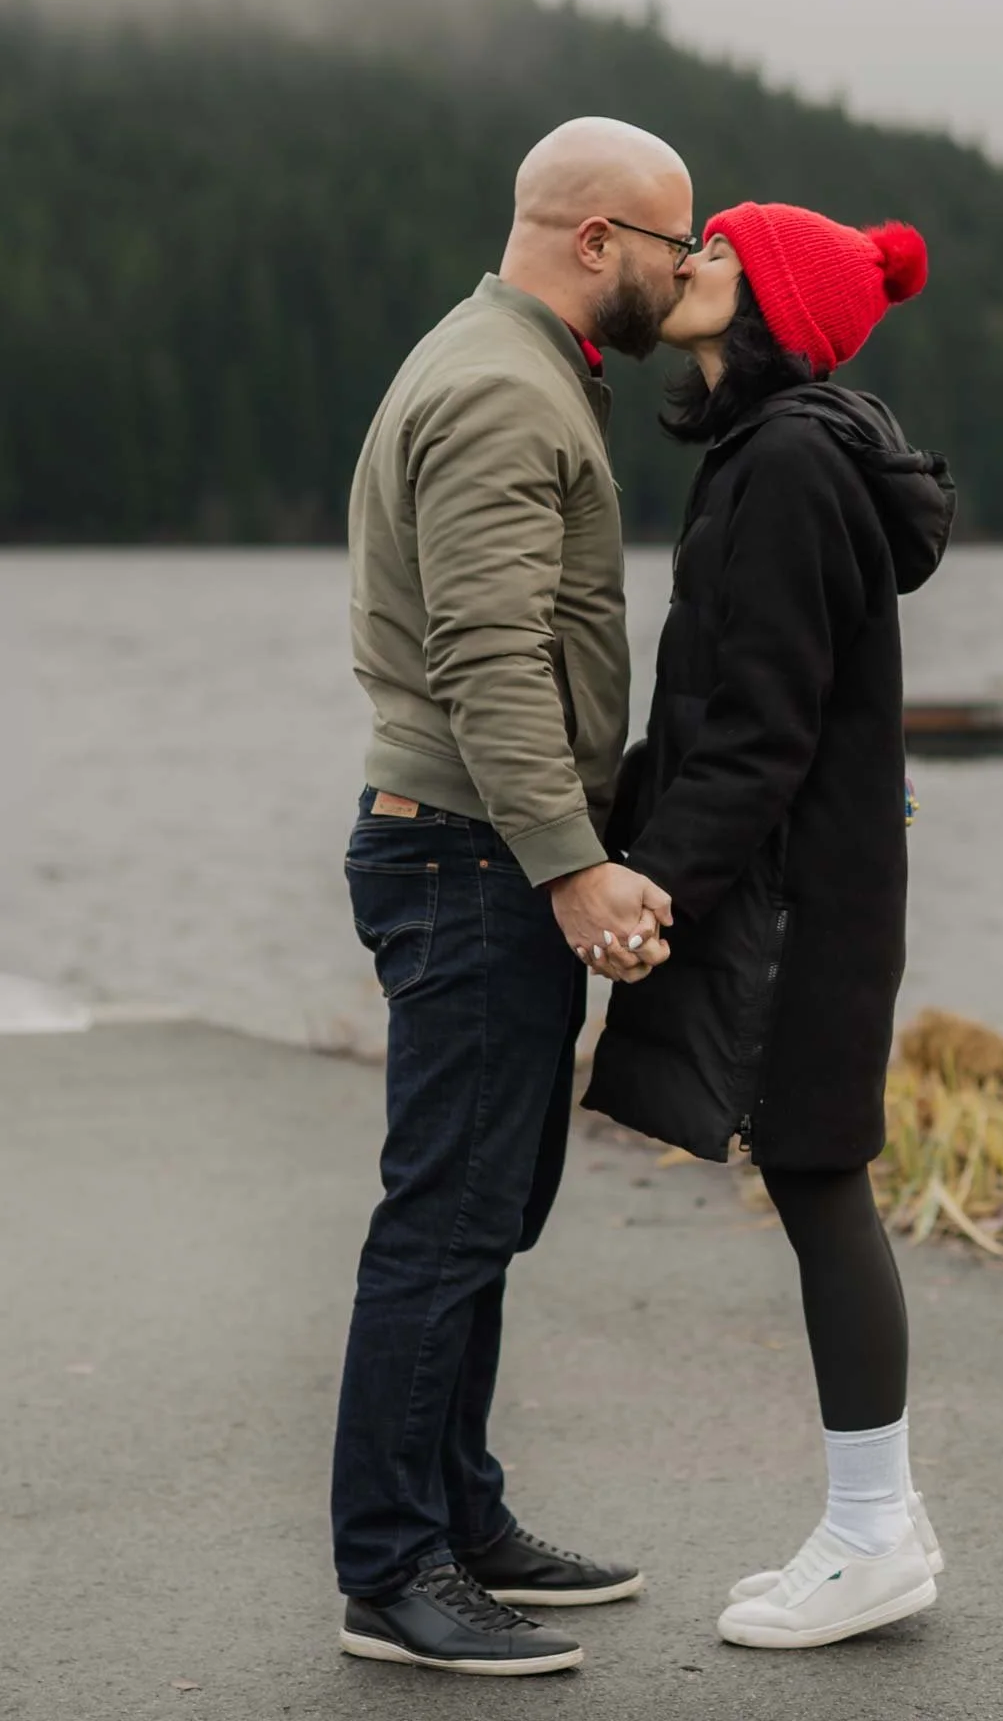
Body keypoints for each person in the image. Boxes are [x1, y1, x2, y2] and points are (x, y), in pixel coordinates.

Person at [335, 117, 695, 1678]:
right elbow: (487, 660)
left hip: (474, 845)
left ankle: (462, 1514)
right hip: (475, 853)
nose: (689, 275)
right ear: (597, 239)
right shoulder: (498, 388)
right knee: (446, 1221)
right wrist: (572, 862)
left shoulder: (509, 357)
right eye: (674, 245)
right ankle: (393, 1574)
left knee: (486, 1210)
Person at [584, 202, 956, 1651]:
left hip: (805, 890)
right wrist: (610, 832)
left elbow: (763, 731)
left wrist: (641, 887)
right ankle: (888, 1522)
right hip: (812, 877)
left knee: (818, 1171)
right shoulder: (769, 453)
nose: (687, 260)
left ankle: (870, 1534)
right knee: (817, 1171)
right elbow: (714, 716)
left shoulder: (793, 461)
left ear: (777, 304)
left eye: (718, 249)